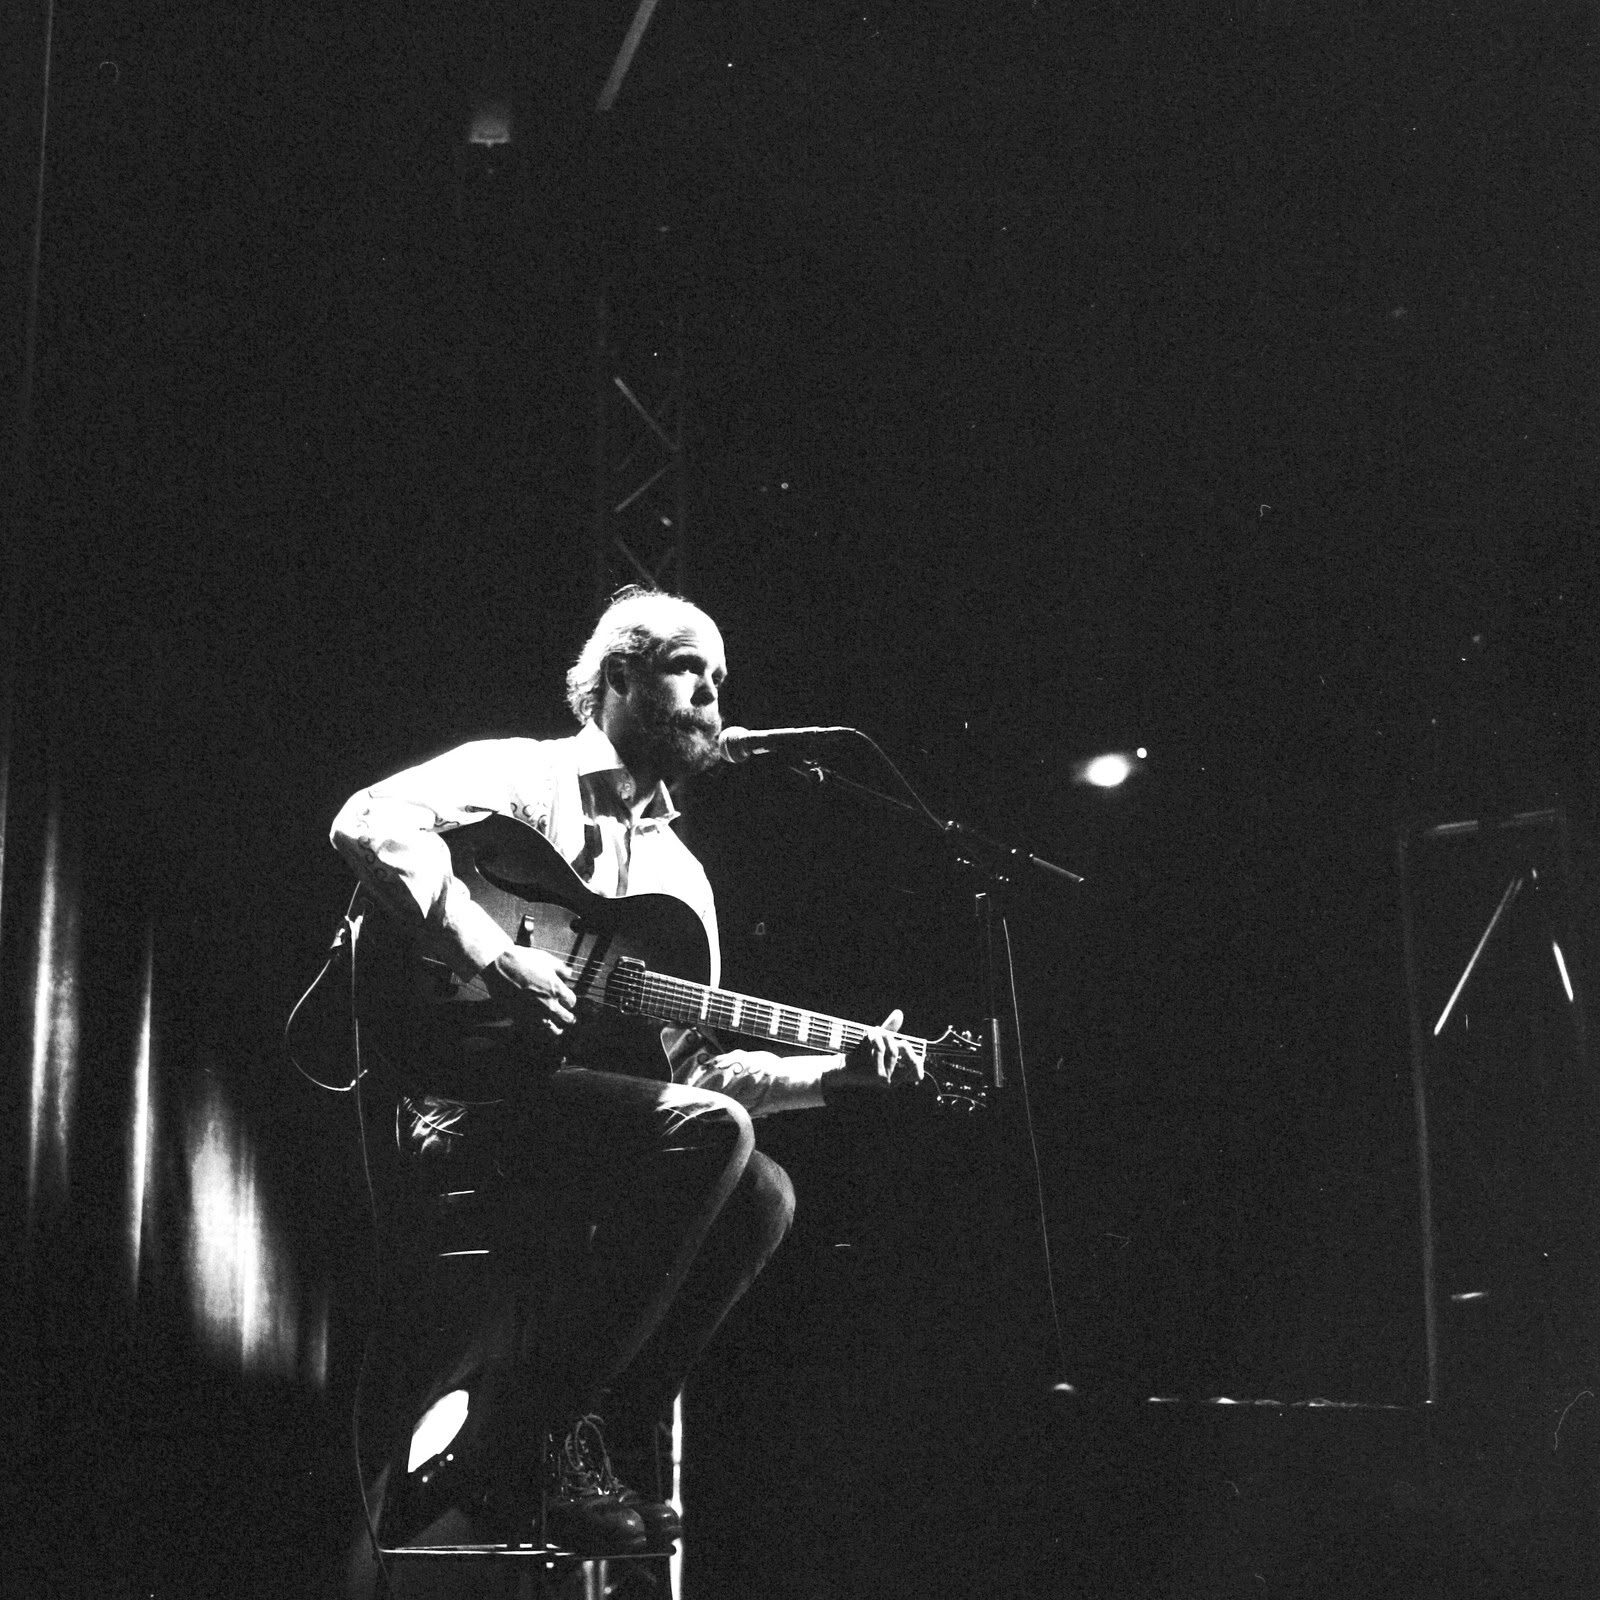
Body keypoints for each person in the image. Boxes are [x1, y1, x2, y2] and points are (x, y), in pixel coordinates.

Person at [330, 585, 919, 1557]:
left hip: (569, 1121)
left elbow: (695, 1079)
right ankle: (532, 1440)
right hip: (451, 1098)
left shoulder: (683, 878)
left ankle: (591, 1430)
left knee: (762, 1191)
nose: (712, 697)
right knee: (714, 1139)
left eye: (721, 681)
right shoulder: (522, 776)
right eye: (692, 670)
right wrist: (493, 951)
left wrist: (838, 1072)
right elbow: (364, 820)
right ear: (618, 677)